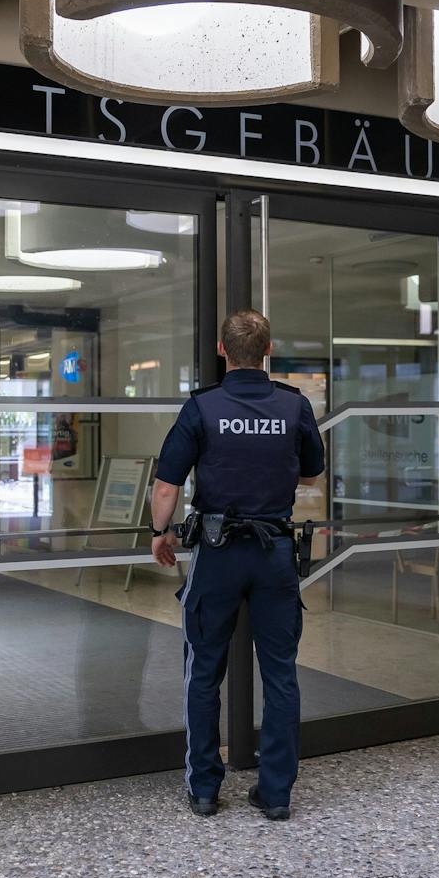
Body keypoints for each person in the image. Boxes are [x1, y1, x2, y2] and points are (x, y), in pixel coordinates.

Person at [150, 309, 325, 821]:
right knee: (281, 673)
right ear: (268, 350)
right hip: (274, 553)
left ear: (222, 351)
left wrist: (160, 533)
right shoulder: (294, 406)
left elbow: (167, 485)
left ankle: (205, 789)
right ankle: (275, 794)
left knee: (203, 670)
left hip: (217, 552)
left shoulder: (203, 406)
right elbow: (312, 476)